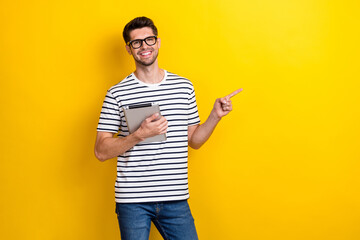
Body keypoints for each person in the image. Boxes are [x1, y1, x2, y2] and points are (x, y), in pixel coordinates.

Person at [94, 16, 242, 240]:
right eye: (137, 42)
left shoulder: (183, 87)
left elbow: (195, 141)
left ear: (158, 42)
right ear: (128, 49)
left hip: (175, 198)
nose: (145, 46)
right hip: (132, 200)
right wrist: (139, 135)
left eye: (149, 39)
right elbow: (100, 151)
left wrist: (215, 116)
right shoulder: (117, 92)